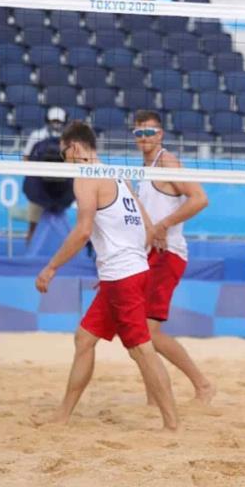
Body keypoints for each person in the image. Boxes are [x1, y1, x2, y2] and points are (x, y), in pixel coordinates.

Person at [34, 121, 178, 430]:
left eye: (63, 154)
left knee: (141, 350)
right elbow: (149, 229)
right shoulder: (118, 175)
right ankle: (62, 417)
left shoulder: (86, 177)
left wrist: (51, 267)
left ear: (74, 148)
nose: (65, 161)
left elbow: (83, 231)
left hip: (123, 276)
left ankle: (172, 424)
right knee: (84, 338)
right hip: (126, 273)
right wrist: (121, 264)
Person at [132, 110, 215, 404]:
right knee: (137, 334)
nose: (144, 138)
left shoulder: (166, 161)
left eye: (149, 132)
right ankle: (154, 397)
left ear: (160, 134)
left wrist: (164, 226)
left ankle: (202, 385)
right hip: (147, 256)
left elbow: (200, 198)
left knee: (148, 333)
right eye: (139, 133)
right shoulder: (145, 170)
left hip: (167, 255)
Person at [23, 107, 68, 244]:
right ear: (47, 121)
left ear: (63, 122)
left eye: (59, 121)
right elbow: (25, 158)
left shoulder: (67, 138)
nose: (56, 124)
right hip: (39, 183)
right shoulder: (37, 135)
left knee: (59, 217)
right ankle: (30, 242)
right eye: (53, 121)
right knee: (34, 220)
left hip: (61, 184)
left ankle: (64, 246)